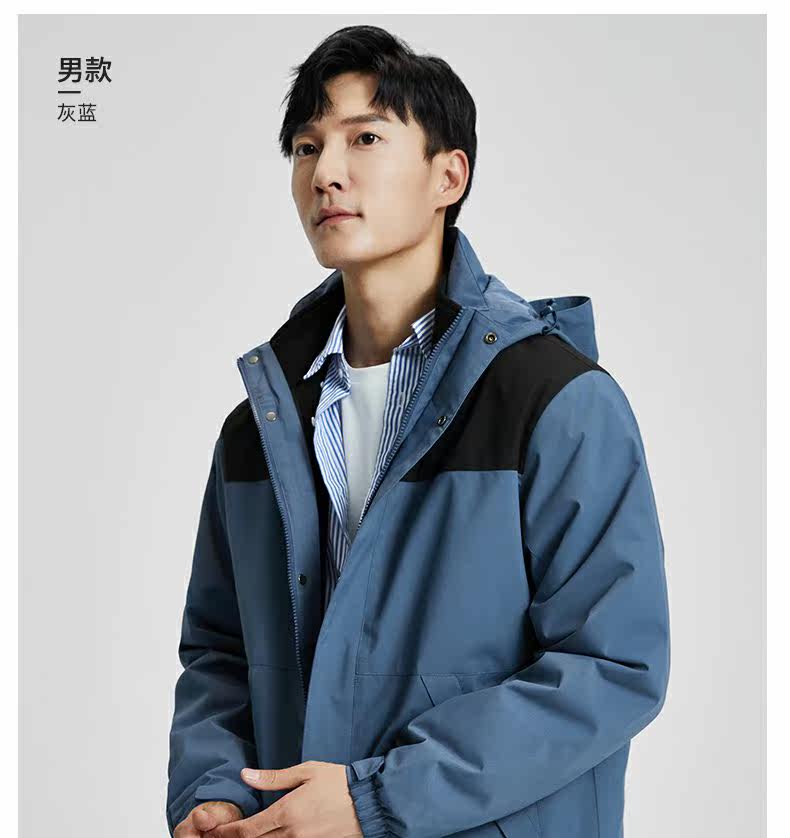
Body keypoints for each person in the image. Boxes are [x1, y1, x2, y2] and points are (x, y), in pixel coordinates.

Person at [167, 24, 671, 838]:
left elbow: (612, 666)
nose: (326, 173)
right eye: (306, 148)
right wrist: (213, 789)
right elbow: (220, 651)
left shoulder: (554, 400)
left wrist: (377, 799)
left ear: (448, 175)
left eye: (365, 138)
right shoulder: (258, 429)